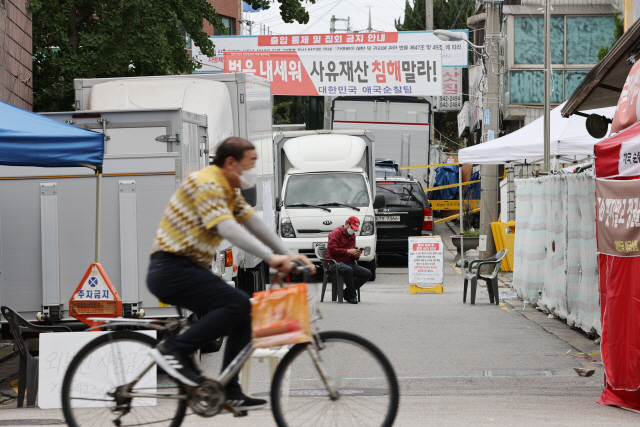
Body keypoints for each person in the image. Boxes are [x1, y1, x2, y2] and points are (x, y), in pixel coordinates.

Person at [146, 137, 315, 411]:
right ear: (230, 162)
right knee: (236, 303)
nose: (253, 169)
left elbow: (252, 221)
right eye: (251, 163)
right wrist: (273, 258)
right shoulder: (208, 183)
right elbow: (228, 229)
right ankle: (173, 349)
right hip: (172, 268)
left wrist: (287, 253)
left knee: (245, 312)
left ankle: (230, 389)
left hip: (185, 269)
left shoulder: (227, 189)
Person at [326, 216, 372, 304]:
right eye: (352, 228)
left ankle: (346, 292)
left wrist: (356, 254)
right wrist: (348, 251)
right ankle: (352, 296)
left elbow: (351, 256)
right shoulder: (335, 233)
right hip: (333, 263)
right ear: (347, 224)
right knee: (348, 270)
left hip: (347, 263)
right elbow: (333, 250)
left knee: (367, 273)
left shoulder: (352, 236)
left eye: (355, 229)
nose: (353, 231)